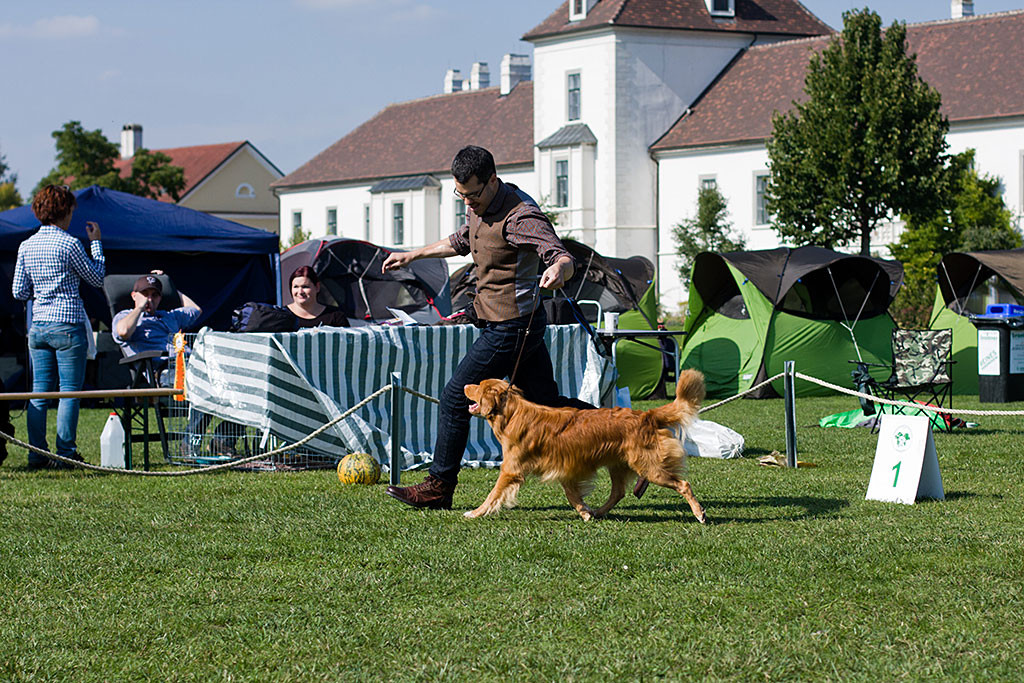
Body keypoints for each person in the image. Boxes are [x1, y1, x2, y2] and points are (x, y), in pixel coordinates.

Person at [382, 145, 593, 510]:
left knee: (454, 397)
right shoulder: (480, 206)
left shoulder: (521, 216)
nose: (467, 203)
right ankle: (631, 431)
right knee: (549, 404)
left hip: (511, 327)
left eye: (472, 195)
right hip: (511, 325)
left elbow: (560, 254)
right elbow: (462, 240)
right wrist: (412, 254)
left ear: (492, 181)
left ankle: (439, 486)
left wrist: (559, 270)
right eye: (460, 195)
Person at [12, 184, 104, 469]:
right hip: (67, 325)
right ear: (64, 211)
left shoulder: (26, 245)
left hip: (38, 326)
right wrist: (97, 243)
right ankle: (65, 454)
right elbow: (97, 278)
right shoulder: (70, 244)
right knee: (68, 392)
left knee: (39, 394)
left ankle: (36, 453)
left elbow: (18, 291)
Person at [111, 272, 235, 457]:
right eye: (145, 294)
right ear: (133, 295)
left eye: (155, 295)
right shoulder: (125, 316)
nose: (150, 299)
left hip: (193, 366)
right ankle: (188, 446)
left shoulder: (169, 316)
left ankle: (222, 441)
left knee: (240, 386)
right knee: (204, 390)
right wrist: (139, 309)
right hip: (163, 371)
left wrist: (170, 286)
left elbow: (196, 310)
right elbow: (123, 333)